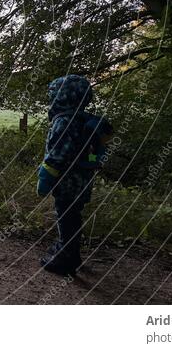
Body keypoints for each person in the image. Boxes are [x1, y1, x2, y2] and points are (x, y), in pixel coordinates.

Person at [37, 74, 111, 276]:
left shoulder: (63, 122)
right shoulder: (82, 120)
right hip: (83, 180)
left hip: (67, 182)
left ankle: (65, 259)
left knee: (66, 217)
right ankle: (72, 253)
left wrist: (44, 180)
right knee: (73, 217)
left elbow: (57, 156)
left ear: (61, 97)